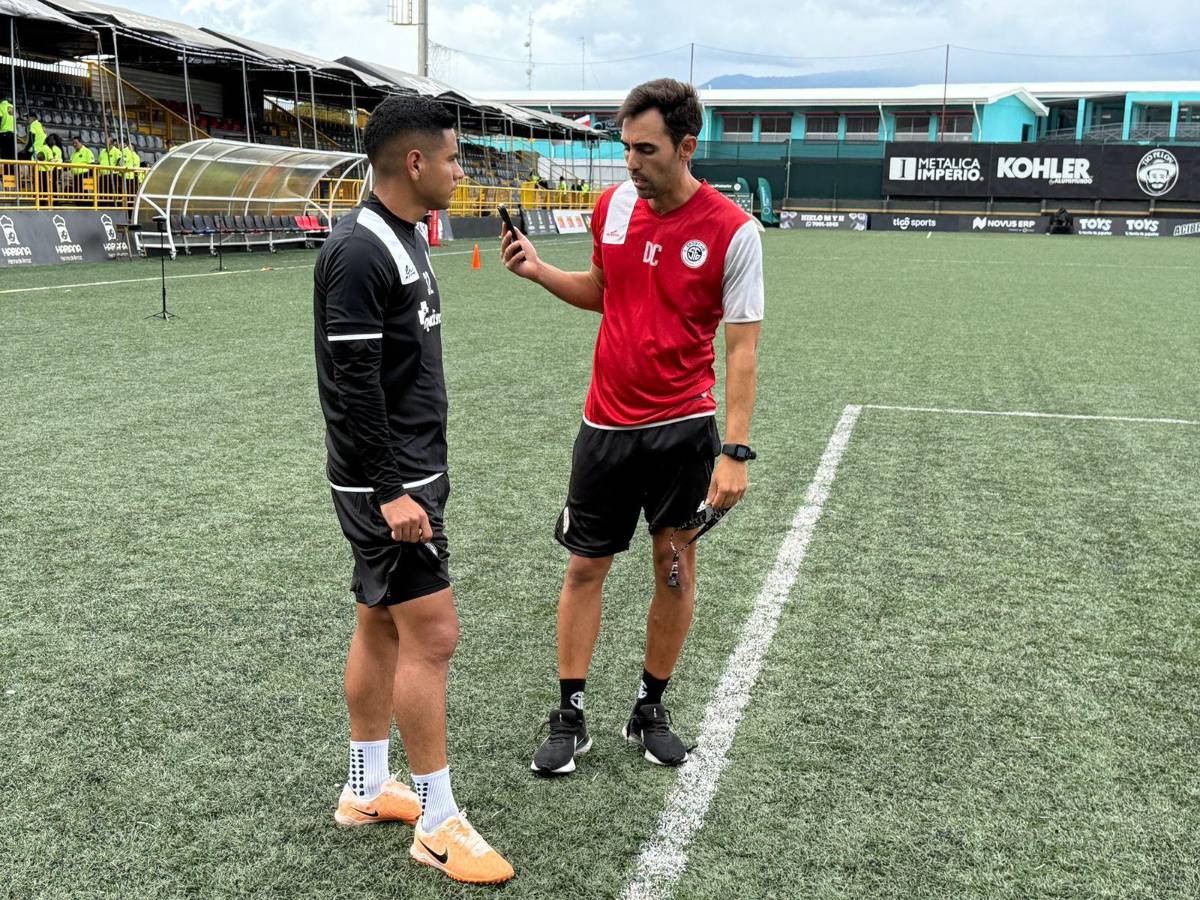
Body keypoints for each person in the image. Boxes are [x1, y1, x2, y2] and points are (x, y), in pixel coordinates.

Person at [501, 78, 764, 775]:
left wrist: (733, 450)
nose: (632, 165)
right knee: (586, 565)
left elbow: (742, 349)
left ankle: (649, 707)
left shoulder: (733, 231)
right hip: (605, 424)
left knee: (673, 569)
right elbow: (602, 291)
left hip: (683, 429)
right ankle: (571, 714)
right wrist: (538, 272)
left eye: (646, 151)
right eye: (625, 149)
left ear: (686, 146)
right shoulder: (613, 206)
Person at [312, 93, 514, 885]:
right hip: (389, 487)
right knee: (432, 637)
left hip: (403, 475)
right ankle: (436, 822)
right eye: (457, 158)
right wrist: (394, 492)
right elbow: (353, 384)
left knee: (380, 626)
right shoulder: (362, 251)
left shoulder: (402, 237)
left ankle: (366, 791)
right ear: (416, 162)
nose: (463, 172)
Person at [0, 97, 15, 162]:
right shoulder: (12, 106)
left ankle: (4, 171)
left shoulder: (0, 106)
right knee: (11, 154)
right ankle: (11, 170)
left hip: (3, 132)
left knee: (3, 153)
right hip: (12, 132)